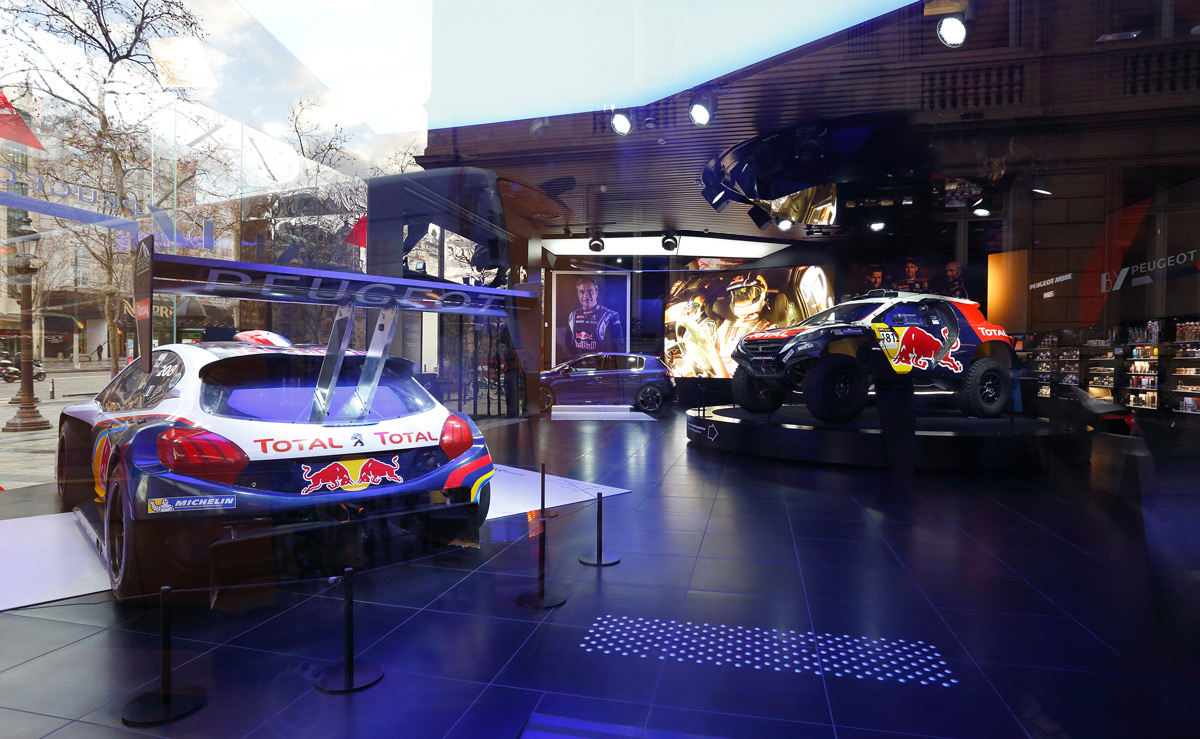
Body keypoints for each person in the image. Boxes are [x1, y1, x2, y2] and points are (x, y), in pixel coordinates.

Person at [566, 277, 623, 357]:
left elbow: (619, 348)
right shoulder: (573, 315)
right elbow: (568, 344)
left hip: (601, 363)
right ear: (578, 294)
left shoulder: (610, 316)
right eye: (582, 292)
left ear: (596, 292)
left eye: (590, 291)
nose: (586, 296)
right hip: (579, 363)